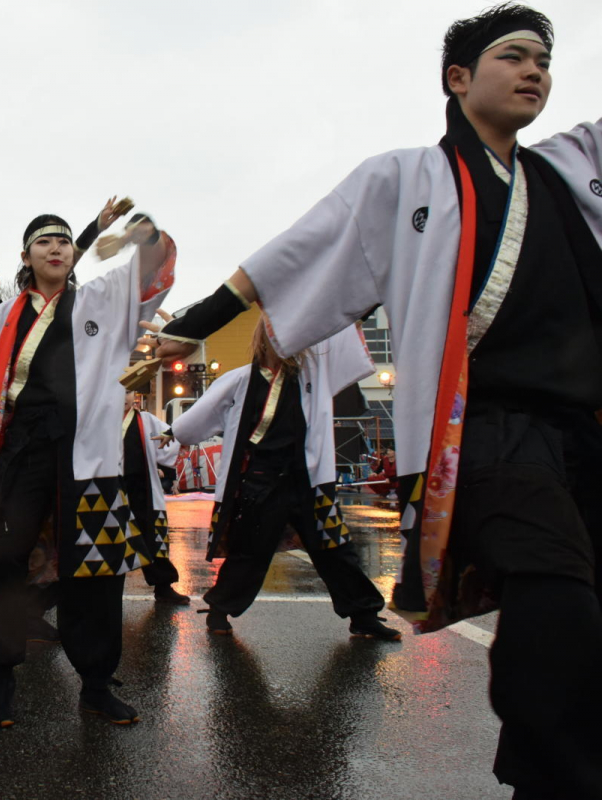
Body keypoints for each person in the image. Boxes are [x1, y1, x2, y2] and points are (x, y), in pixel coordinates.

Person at [150, 6, 601, 793]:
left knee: (581, 609)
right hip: (483, 432)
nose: (534, 71)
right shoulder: (405, 179)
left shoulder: (571, 167)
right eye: (512, 56)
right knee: (557, 596)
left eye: (544, 60)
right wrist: (194, 326)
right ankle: (556, 771)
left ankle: (547, 755)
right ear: (457, 79)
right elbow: (304, 247)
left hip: (583, 430)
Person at [0, 202, 174, 727]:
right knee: (1, 565)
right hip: (18, 451)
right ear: (25, 256)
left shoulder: (101, 301)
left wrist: (140, 235)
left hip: (88, 457)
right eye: (44, 241)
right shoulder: (5, 314)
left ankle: (97, 683)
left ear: (73, 253)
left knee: (96, 573)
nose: (55, 247)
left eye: (63, 241)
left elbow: (155, 271)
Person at [169, 323, 399, 639]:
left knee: (335, 549)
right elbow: (189, 427)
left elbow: (339, 323)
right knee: (251, 550)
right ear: (263, 339)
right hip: (260, 480)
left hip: (310, 480)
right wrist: (175, 434)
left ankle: (364, 615)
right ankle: (219, 608)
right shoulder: (239, 380)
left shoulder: (315, 376)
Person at [120, 387, 190, 605]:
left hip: (142, 488)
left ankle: (163, 586)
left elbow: (170, 440)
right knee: (110, 538)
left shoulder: (147, 420)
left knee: (152, 536)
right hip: (111, 486)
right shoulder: (101, 419)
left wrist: (177, 437)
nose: (124, 397)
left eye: (128, 392)